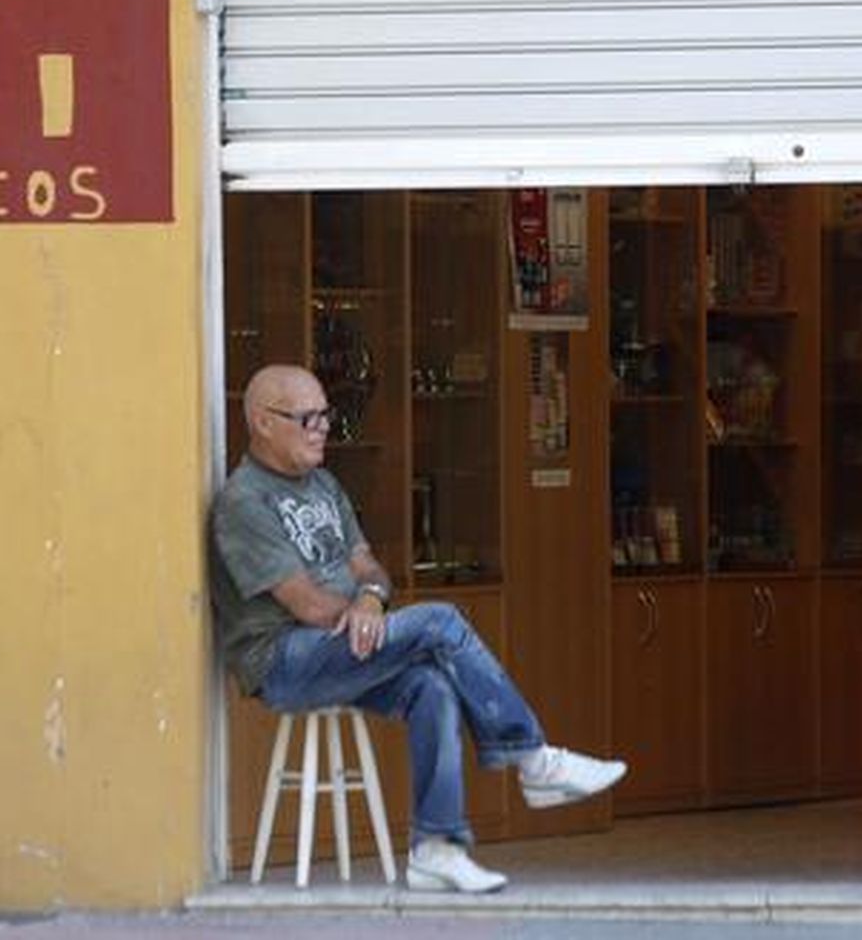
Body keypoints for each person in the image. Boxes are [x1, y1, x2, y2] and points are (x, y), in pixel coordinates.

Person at [209, 364, 627, 893]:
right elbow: (307, 605)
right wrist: (358, 611)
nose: (322, 428)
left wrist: (371, 598)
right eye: (307, 418)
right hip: (283, 660)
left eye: (325, 416)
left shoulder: (323, 485)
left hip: (338, 645)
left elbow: (368, 566)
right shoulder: (244, 501)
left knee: (431, 683)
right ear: (262, 422)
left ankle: (436, 848)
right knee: (440, 620)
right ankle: (532, 758)